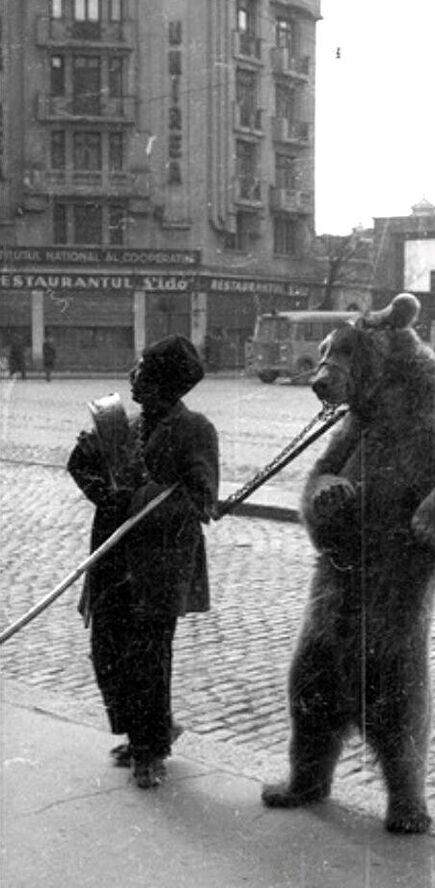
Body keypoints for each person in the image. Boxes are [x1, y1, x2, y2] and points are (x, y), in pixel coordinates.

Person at [67, 334, 219, 788]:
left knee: (147, 658)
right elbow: (90, 477)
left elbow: (203, 498)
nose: (132, 376)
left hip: (158, 564)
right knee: (107, 650)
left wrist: (144, 498)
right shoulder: (123, 426)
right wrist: (92, 469)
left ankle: (149, 749)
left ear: (165, 383)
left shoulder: (195, 429)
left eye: (143, 372)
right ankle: (145, 731)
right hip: (112, 555)